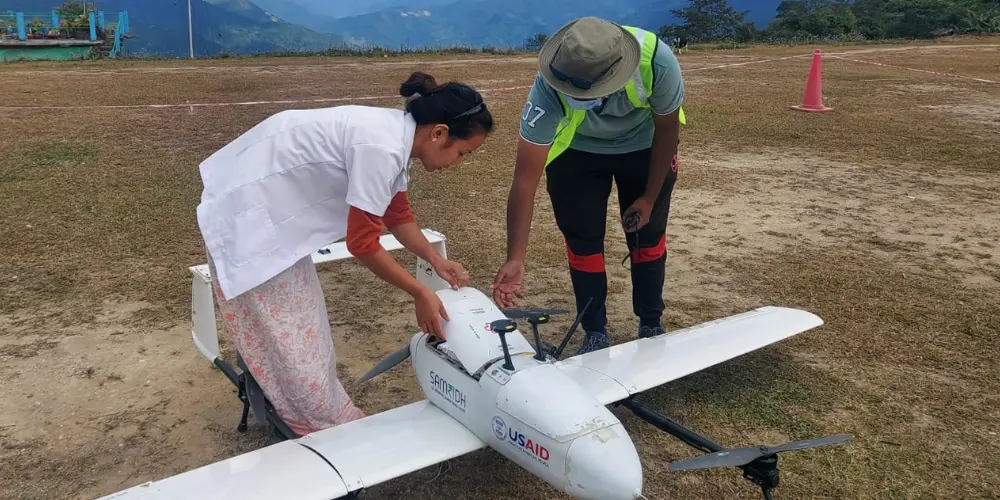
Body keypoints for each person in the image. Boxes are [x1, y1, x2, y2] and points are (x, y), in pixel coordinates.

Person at [195, 71, 494, 436]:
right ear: (439, 133)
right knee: (296, 336)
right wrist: (420, 292)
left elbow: (397, 215)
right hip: (250, 215)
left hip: (264, 208)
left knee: (294, 329)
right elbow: (362, 243)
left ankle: (303, 412)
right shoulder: (382, 149)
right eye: (462, 153)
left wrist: (436, 260)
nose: (456, 164)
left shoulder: (393, 139)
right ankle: (323, 424)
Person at [491, 17, 686, 354]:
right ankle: (595, 331)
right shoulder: (549, 85)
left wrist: (649, 198)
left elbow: (668, 132)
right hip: (577, 152)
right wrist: (516, 258)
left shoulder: (658, 61)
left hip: (644, 148)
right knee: (582, 241)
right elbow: (524, 179)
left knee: (648, 237)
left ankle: (651, 323)